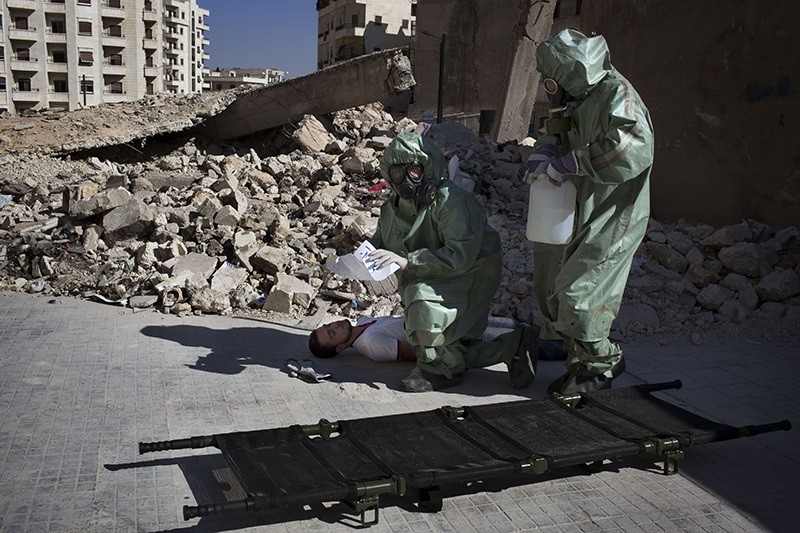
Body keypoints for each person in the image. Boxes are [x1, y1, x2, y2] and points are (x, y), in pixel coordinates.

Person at [360, 131, 539, 392]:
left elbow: (460, 256)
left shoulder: (452, 202)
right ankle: (512, 347)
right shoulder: (392, 209)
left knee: (424, 310)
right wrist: (360, 256)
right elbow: (382, 240)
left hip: (468, 274)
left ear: (428, 169)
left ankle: (439, 373)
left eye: (414, 171)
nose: (407, 180)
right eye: (398, 173)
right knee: (433, 344)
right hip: (428, 274)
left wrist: (408, 261)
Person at [526, 29, 654, 395]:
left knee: (580, 292)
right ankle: (576, 358)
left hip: (613, 213)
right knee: (550, 283)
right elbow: (558, 127)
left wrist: (574, 161)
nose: (548, 87)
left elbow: (634, 147)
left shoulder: (617, 95)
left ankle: (603, 363)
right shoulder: (577, 95)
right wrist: (547, 149)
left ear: (567, 74)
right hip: (574, 206)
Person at [309, 315, 416, 362]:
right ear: (340, 347)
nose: (335, 325)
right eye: (332, 333)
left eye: (328, 325)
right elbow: (417, 353)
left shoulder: (362, 322)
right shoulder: (371, 343)